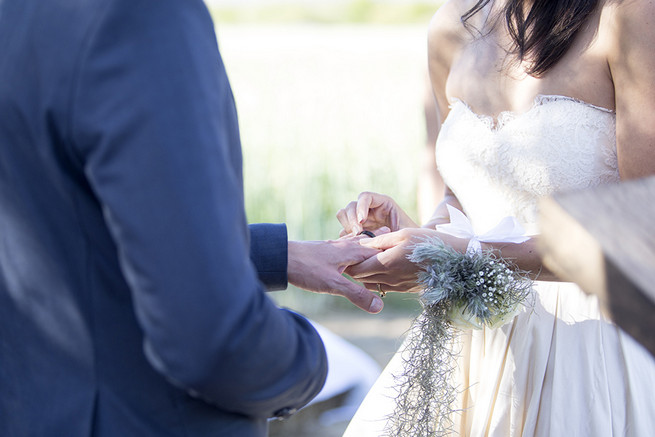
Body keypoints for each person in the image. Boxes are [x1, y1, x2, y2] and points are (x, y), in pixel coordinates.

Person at [0, 1, 384, 436]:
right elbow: (214, 341)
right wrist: (311, 361)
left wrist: (277, 255)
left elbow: (63, 222)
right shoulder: (139, 16)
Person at [338, 0, 655, 435]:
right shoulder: (452, 23)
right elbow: (463, 198)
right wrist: (413, 237)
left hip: (595, 345)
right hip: (473, 351)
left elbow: (641, 228)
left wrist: (466, 255)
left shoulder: (629, 14)